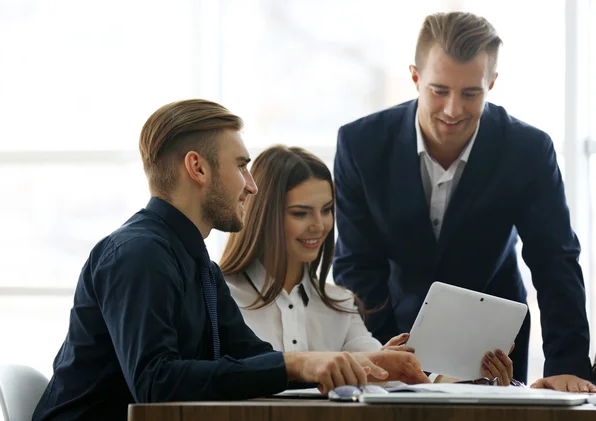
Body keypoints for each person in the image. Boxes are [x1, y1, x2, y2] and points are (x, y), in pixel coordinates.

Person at [32, 99, 426, 421]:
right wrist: (301, 364)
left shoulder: (195, 261)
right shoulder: (139, 254)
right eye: (240, 166)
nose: (251, 185)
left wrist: (364, 363)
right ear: (197, 167)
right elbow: (156, 384)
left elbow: (252, 358)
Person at [332, 11, 592, 388]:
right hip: (393, 334)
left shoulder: (528, 150)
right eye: (439, 90)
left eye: (471, 93)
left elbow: (556, 261)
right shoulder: (361, 145)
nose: (453, 109)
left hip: (494, 348)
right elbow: (357, 266)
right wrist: (384, 355)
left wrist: (567, 365)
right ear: (415, 77)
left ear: (492, 83)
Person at [220, 145, 514, 385]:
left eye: (326, 211)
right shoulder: (222, 296)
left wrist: (474, 376)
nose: (319, 226)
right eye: (300, 213)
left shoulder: (340, 303)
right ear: (264, 215)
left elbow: (390, 375)